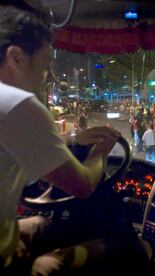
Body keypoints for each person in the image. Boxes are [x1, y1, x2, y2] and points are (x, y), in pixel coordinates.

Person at [0, 6, 121, 274]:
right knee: (118, 247)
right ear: (16, 58)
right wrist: (98, 151)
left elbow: (20, 144)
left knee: (43, 224)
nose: (50, 76)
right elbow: (83, 184)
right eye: (45, 65)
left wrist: (75, 139)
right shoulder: (17, 104)